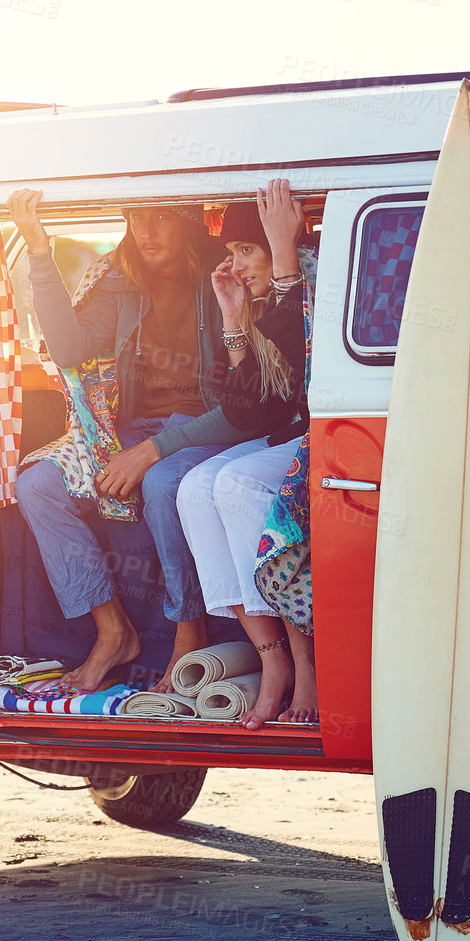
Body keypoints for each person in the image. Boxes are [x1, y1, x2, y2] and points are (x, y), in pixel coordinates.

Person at [9, 189, 263, 695]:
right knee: (37, 485)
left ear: (188, 219)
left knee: (165, 482)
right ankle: (113, 632)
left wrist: (150, 453)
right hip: (126, 432)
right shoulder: (118, 278)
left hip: (214, 430)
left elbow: (246, 409)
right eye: (137, 217)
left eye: (161, 216)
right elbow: (68, 347)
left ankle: (188, 634)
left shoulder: (229, 274)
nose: (146, 231)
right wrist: (40, 252)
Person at [177, 179, 316, 728]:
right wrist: (234, 323)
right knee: (192, 488)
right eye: (230, 251)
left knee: (235, 485)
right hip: (292, 433)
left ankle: (305, 661)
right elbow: (250, 407)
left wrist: (282, 254)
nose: (234, 265)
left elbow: (299, 355)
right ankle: (271, 657)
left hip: (338, 434)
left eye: (245, 249)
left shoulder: (313, 279)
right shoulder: (266, 298)